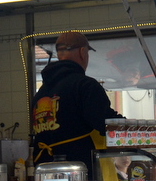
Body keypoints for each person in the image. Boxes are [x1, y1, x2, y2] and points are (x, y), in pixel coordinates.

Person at [32, 31, 122, 172]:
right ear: (82, 52)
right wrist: (139, 130)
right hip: (81, 172)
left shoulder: (41, 94)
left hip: (46, 171)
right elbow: (106, 122)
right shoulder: (85, 85)